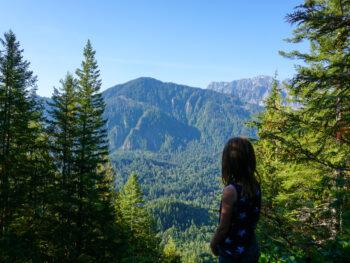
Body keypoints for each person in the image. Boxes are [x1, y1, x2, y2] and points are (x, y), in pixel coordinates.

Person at [210, 137, 261, 263]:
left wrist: (213, 244)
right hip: (251, 248)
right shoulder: (255, 185)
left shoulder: (230, 191)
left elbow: (223, 228)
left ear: (229, 163)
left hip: (232, 254)